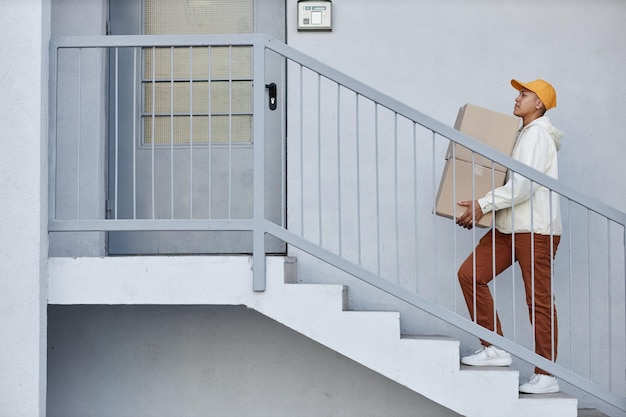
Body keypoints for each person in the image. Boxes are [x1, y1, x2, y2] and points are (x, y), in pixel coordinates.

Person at [455, 79, 564, 394]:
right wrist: (482, 211)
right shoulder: (523, 134)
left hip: (535, 231)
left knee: (538, 301)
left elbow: (523, 186)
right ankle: (495, 347)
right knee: (470, 275)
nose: (517, 98)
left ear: (539, 104)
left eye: (524, 94)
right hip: (508, 229)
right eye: (518, 93)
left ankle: (546, 374)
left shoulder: (538, 135)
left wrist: (483, 204)